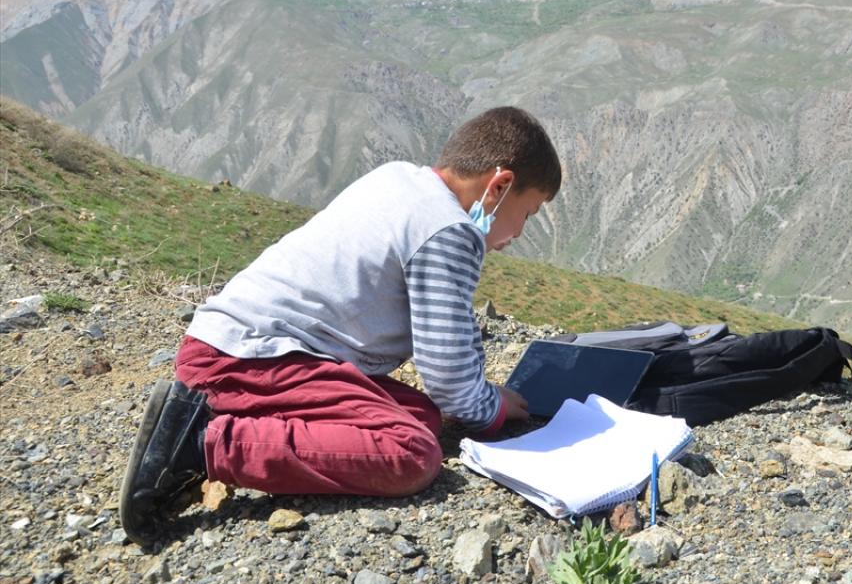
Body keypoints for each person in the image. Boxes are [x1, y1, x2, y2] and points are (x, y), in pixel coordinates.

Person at [119, 106, 561, 544]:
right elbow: (449, 372)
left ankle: (218, 413)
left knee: (421, 415)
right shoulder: (448, 230)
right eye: (529, 212)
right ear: (500, 186)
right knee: (411, 452)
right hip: (245, 359)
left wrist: (466, 399)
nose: (520, 231)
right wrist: (491, 408)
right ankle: (198, 443)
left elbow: (444, 367)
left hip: (236, 345)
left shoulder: (400, 179)